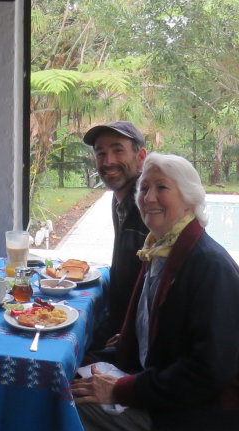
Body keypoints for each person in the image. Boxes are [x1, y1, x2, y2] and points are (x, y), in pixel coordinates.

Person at [71, 153, 239, 431]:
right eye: (143, 188)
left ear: (189, 200)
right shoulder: (161, 251)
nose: (149, 198)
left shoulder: (210, 268)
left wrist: (120, 390)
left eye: (162, 188)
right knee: (72, 377)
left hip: (215, 426)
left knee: (66, 406)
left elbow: (208, 374)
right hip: (185, 405)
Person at [82, 121, 149, 348]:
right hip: (122, 324)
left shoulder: (147, 207)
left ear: (140, 157)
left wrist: (130, 335)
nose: (108, 162)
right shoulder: (120, 199)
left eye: (118, 150)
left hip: (140, 338)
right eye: (101, 153)